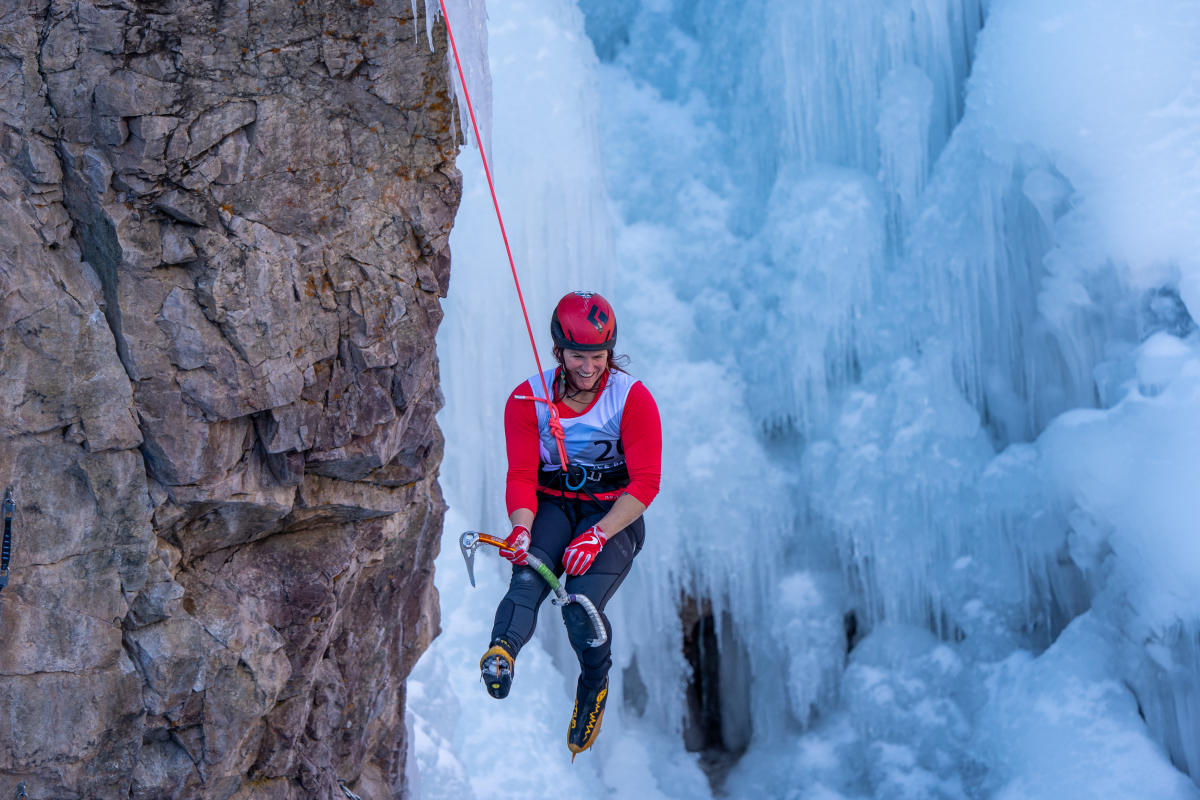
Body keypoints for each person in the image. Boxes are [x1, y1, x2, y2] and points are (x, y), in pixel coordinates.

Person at [479, 290, 662, 757]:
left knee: (579, 603)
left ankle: (593, 688)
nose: (588, 366)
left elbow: (645, 484)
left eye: (597, 356)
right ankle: (501, 652)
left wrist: (600, 533)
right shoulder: (527, 398)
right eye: (578, 355)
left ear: (609, 353)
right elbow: (520, 475)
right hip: (553, 508)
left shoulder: (632, 398)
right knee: (529, 574)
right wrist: (521, 528)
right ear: (558, 351)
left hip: (611, 515)